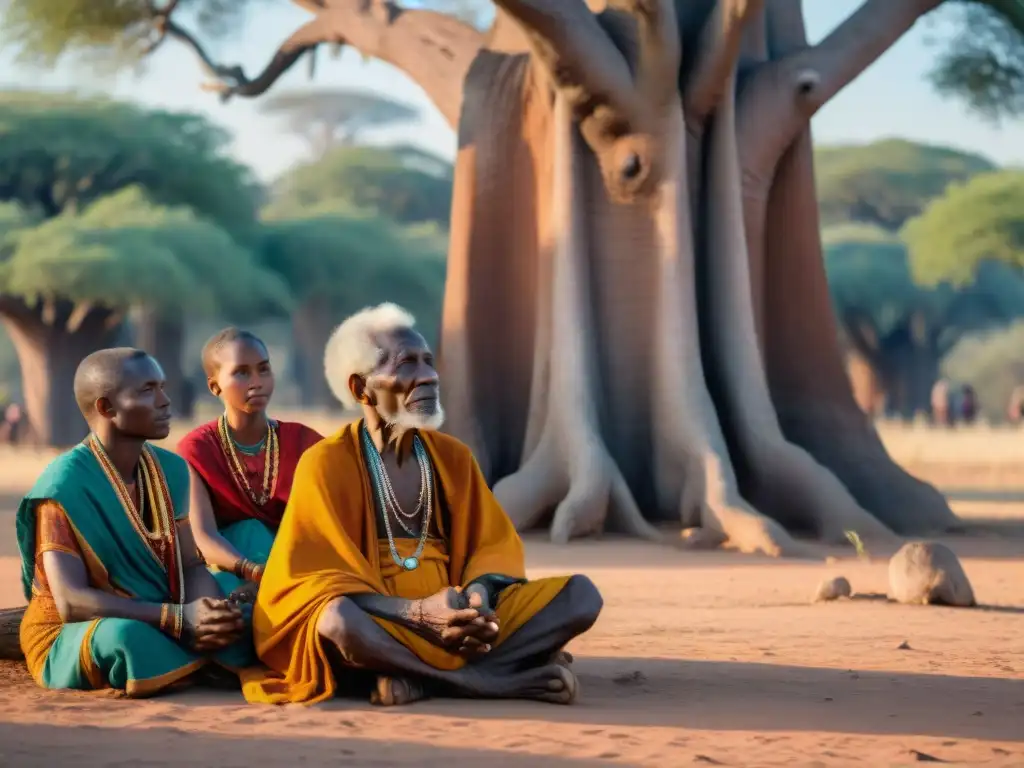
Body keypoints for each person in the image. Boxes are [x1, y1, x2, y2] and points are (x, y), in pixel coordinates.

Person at [244, 303, 603, 707]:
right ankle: (485, 682)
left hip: (455, 613)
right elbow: (316, 580)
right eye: (407, 364)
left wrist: (477, 599)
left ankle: (419, 678)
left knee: (580, 596)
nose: (429, 376)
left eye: (429, 362)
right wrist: (416, 612)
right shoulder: (326, 462)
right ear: (361, 388)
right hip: (384, 620)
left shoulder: (452, 457)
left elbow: (490, 547)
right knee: (336, 620)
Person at [17, 348, 249, 697]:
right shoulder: (64, 485)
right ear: (106, 408)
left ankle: (194, 655)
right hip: (80, 627)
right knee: (125, 640)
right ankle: (201, 662)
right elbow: (72, 602)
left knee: (241, 617)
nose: (165, 401)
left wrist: (209, 614)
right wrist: (178, 619)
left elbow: (190, 564)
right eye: (147, 390)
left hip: (164, 609)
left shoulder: (171, 470)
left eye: (162, 387)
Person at [176, 328, 322, 603]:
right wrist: (255, 573)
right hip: (229, 569)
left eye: (264, 370)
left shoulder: (306, 442)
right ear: (214, 386)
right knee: (225, 606)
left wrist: (279, 573)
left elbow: (324, 526)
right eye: (242, 373)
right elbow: (203, 536)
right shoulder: (196, 449)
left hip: (296, 566)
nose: (257, 382)